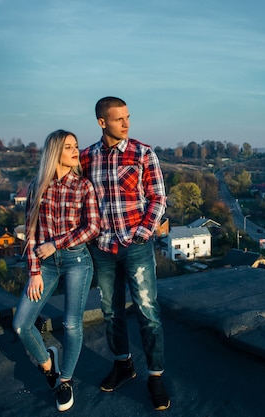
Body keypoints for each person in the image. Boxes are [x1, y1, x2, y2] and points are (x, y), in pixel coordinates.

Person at [80, 96, 170, 411]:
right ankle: (123, 364)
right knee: (110, 311)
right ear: (102, 122)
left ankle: (155, 376)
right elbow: (78, 200)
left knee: (147, 311)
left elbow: (158, 199)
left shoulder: (143, 153)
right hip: (102, 249)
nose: (126, 124)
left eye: (128, 117)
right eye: (119, 119)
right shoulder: (87, 158)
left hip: (136, 246)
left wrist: (142, 235)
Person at [13, 129, 100, 412]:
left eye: (76, 146)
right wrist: (34, 271)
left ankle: (65, 381)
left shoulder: (84, 186)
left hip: (76, 261)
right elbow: (31, 232)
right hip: (45, 266)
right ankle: (48, 363)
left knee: (71, 324)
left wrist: (56, 244)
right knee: (21, 325)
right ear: (55, 153)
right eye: (68, 147)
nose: (76, 151)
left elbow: (92, 228)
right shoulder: (38, 186)